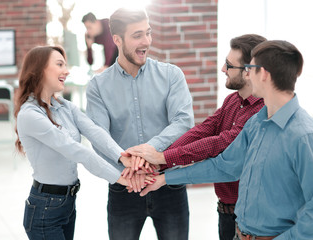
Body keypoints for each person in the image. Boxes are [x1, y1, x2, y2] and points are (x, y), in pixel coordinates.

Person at [139, 40, 313, 239]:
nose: (247, 74)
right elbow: (224, 167)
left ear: (263, 74)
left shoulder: (304, 137)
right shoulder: (256, 123)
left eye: (250, 68)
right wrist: (163, 179)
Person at [126, 34, 266, 240]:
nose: (223, 69)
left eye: (229, 65)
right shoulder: (233, 101)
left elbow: (220, 143)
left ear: (248, 72)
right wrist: (157, 161)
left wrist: (162, 159)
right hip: (226, 212)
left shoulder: (261, 111)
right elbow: (204, 130)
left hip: (250, 219)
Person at [14, 46, 149, 240]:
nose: (66, 71)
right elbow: (77, 151)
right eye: (59, 64)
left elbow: (94, 132)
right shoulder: (30, 115)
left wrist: (123, 158)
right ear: (40, 69)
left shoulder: (64, 106)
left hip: (67, 203)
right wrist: (122, 178)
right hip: (45, 208)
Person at [86, 8, 194, 240]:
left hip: (169, 184)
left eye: (148, 32)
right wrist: (127, 162)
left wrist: (147, 153)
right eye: (137, 35)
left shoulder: (171, 75)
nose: (146, 41)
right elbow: (97, 134)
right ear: (117, 40)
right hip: (124, 186)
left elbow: (183, 121)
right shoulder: (98, 86)